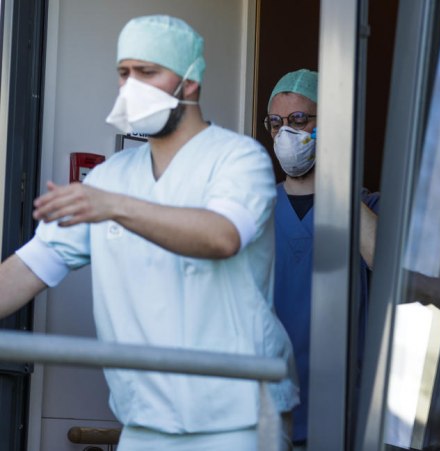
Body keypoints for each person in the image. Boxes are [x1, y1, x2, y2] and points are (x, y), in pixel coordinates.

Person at [0, 15, 298, 450]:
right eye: (124, 73)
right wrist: (107, 200)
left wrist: (115, 207)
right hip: (145, 420)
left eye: (148, 72)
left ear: (190, 82)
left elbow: (222, 236)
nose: (131, 86)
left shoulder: (238, 159)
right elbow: (30, 267)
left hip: (238, 417)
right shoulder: (110, 177)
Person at [265, 68, 379, 449]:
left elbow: (384, 260)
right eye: (276, 123)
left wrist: (338, 179)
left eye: (299, 119)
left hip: (342, 422)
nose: (286, 132)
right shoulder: (257, 208)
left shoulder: (365, 206)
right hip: (268, 418)